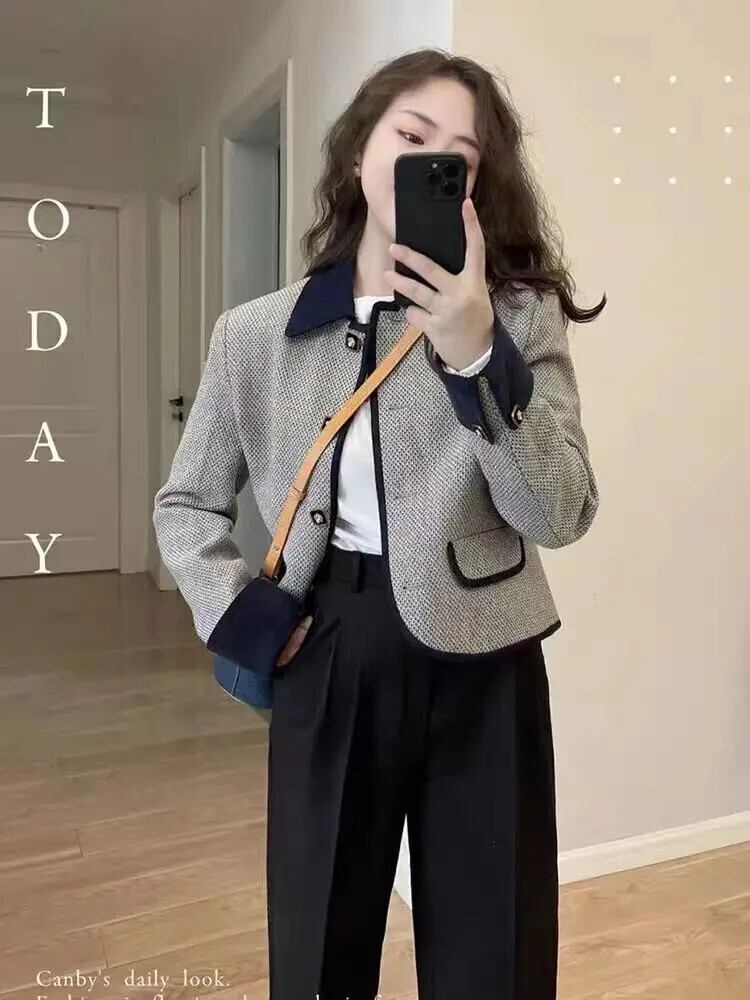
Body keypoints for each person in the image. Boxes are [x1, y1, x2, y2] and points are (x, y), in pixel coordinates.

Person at [153, 47, 604, 1000]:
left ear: (474, 190)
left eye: (460, 158)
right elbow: (186, 503)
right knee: (318, 945)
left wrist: (475, 354)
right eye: (412, 136)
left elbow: (560, 512)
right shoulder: (255, 335)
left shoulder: (519, 319)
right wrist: (237, 613)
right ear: (361, 151)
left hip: (487, 657)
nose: (433, 163)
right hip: (328, 647)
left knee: (495, 955)